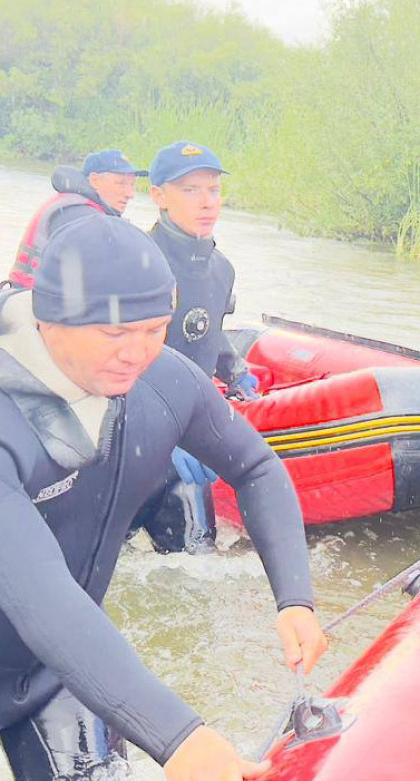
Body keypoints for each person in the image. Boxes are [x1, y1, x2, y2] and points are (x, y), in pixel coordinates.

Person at [0, 216, 327, 780]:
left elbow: (255, 466)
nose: (137, 352)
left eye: (155, 329)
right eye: (114, 333)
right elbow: (41, 596)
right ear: (47, 320)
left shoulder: (166, 381)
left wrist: (295, 598)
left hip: (61, 671)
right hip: (48, 619)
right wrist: (179, 737)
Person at [145, 140, 256, 398]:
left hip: (197, 412)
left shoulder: (222, 269)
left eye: (214, 190)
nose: (207, 202)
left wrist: (234, 372)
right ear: (159, 196)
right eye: (191, 190)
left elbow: (207, 333)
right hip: (141, 413)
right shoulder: (136, 260)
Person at [7, 150, 147, 288]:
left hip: (37, 297)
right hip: (31, 300)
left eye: (132, 184)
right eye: (121, 183)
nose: (130, 194)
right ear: (95, 180)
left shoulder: (74, 205)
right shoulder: (78, 215)